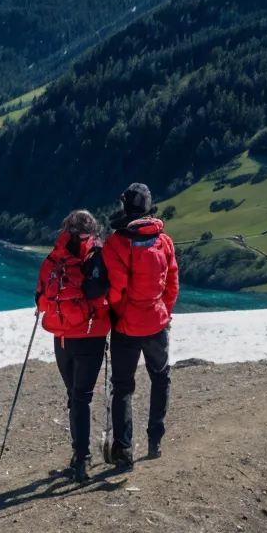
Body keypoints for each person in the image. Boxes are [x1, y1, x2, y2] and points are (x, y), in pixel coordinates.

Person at [99, 182, 178, 469]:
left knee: (122, 387)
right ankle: (155, 440)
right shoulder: (164, 241)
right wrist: (162, 312)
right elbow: (172, 283)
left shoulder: (116, 243)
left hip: (126, 327)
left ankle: (124, 449)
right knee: (161, 378)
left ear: (125, 206)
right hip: (156, 323)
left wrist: (119, 313)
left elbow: (116, 289)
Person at [35, 209, 113, 482]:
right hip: (92, 336)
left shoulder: (54, 259)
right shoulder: (101, 256)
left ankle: (79, 456)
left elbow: (41, 300)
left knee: (73, 395)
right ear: (94, 230)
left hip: (63, 338)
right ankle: (83, 460)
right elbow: (111, 293)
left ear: (65, 230)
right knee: (82, 396)